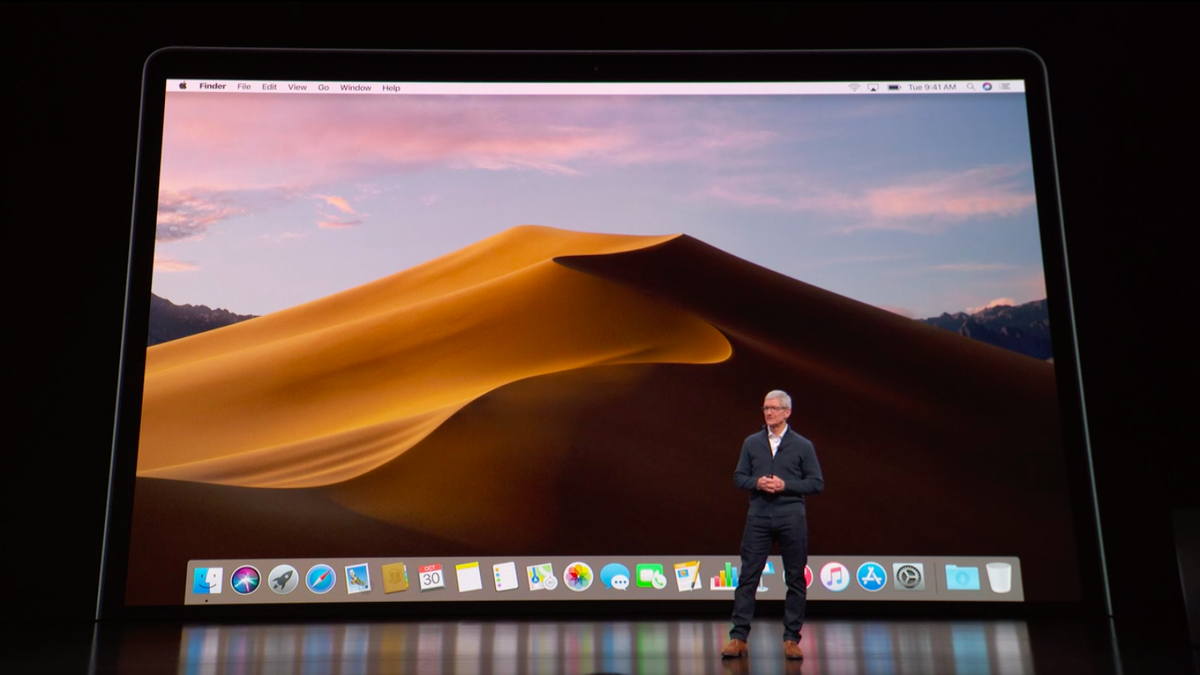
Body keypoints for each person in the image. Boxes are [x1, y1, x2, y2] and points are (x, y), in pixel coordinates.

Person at [721, 390, 824, 660]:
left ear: (787, 412)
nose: (768, 413)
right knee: (747, 578)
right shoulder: (751, 443)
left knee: (795, 579)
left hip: (791, 517)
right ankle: (738, 638)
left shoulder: (803, 445)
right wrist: (757, 482)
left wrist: (784, 485)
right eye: (766, 408)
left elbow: (816, 483)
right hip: (758, 516)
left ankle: (791, 639)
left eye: (774, 408)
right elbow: (738, 476)